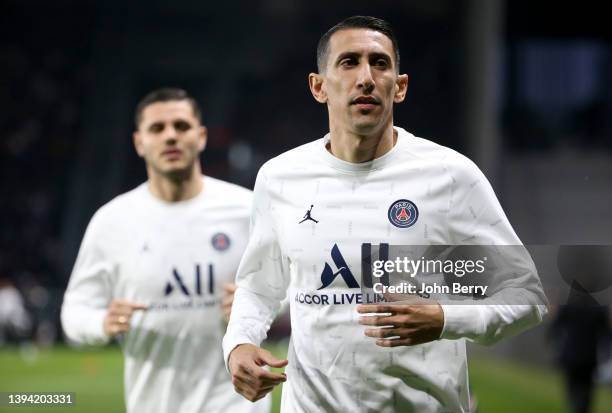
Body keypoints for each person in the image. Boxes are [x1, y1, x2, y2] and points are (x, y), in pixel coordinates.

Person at [223, 16, 547, 412]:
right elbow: (259, 285)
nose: (366, 78)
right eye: (348, 62)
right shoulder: (280, 178)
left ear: (400, 86)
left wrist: (445, 319)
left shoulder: (450, 177)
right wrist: (238, 343)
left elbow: (525, 295)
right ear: (319, 86)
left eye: (379, 63)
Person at [61, 88, 269, 413]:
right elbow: (74, 311)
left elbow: (295, 288)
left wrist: (258, 305)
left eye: (181, 126)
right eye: (157, 129)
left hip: (235, 403)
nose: (170, 136)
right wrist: (102, 322)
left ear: (201, 137)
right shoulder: (112, 221)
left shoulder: (248, 209)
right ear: (139, 143)